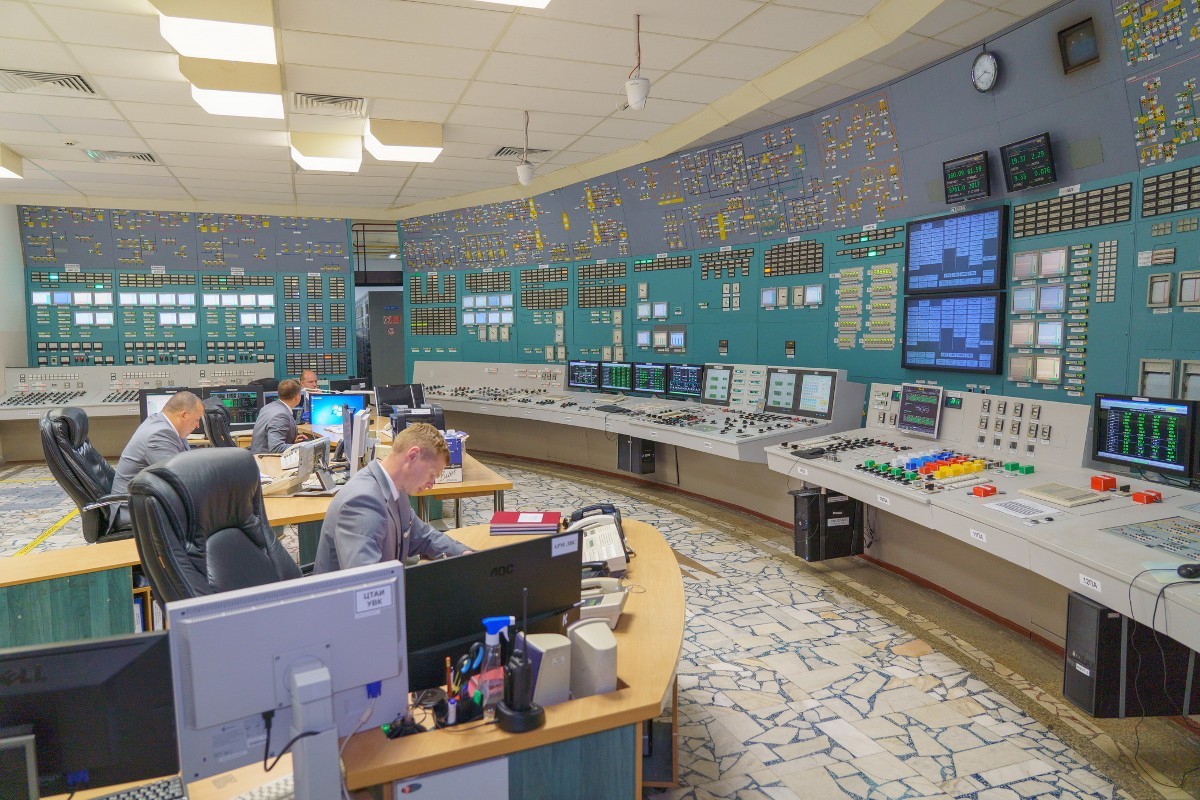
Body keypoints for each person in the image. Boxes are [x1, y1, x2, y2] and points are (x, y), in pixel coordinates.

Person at [314, 422, 469, 572]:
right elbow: (366, 583)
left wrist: (464, 554)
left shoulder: (396, 489)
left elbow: (423, 537)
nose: (431, 484)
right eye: (432, 474)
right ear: (413, 456)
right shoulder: (363, 502)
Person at [111, 391, 203, 495]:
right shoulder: (159, 435)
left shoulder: (162, 424)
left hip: (145, 497)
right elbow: (177, 479)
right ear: (184, 415)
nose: (198, 425)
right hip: (132, 502)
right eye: (197, 419)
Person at [250, 379, 309, 454]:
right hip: (267, 459)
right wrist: (303, 446)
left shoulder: (268, 407)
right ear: (297, 397)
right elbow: (276, 448)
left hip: (258, 456)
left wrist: (291, 441)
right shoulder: (281, 415)